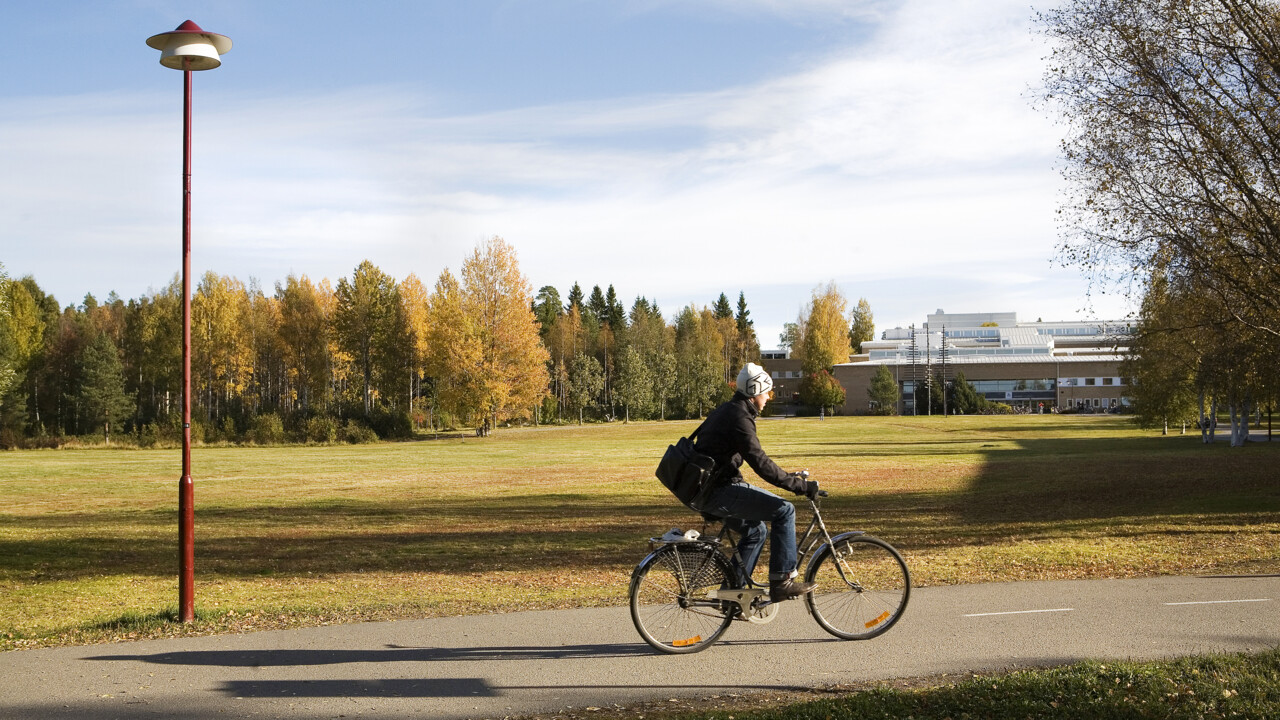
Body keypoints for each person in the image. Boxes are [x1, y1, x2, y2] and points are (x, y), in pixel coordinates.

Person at [695, 362, 820, 602]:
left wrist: (788, 477)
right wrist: (800, 486)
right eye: (767, 392)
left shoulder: (729, 410)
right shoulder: (739, 417)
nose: (769, 398)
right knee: (785, 510)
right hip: (718, 491)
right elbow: (760, 463)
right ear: (754, 391)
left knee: (756, 531)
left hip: (707, 490)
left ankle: (732, 596)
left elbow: (728, 457)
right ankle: (782, 581)